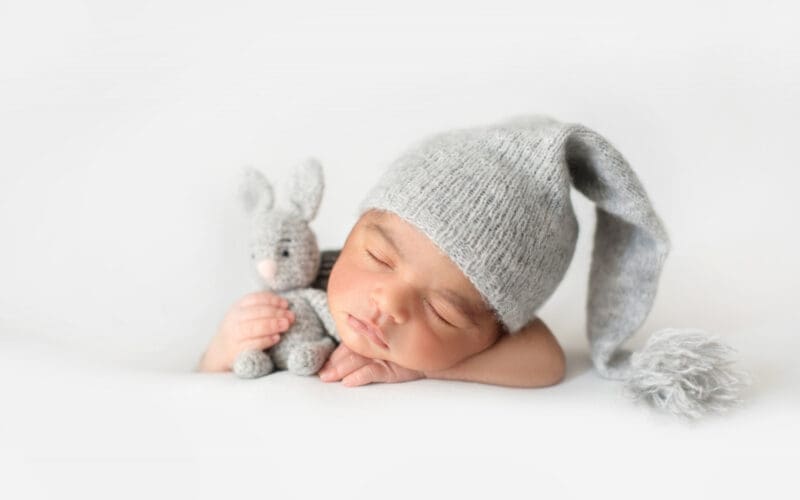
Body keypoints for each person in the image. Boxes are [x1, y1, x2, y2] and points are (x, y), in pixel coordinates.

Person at [199, 114, 748, 418]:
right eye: (378, 255)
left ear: (494, 331)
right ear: (355, 228)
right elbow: (202, 387)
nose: (389, 303)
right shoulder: (303, 285)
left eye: (442, 312)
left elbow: (547, 362)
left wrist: (421, 365)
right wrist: (226, 347)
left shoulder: (494, 344)